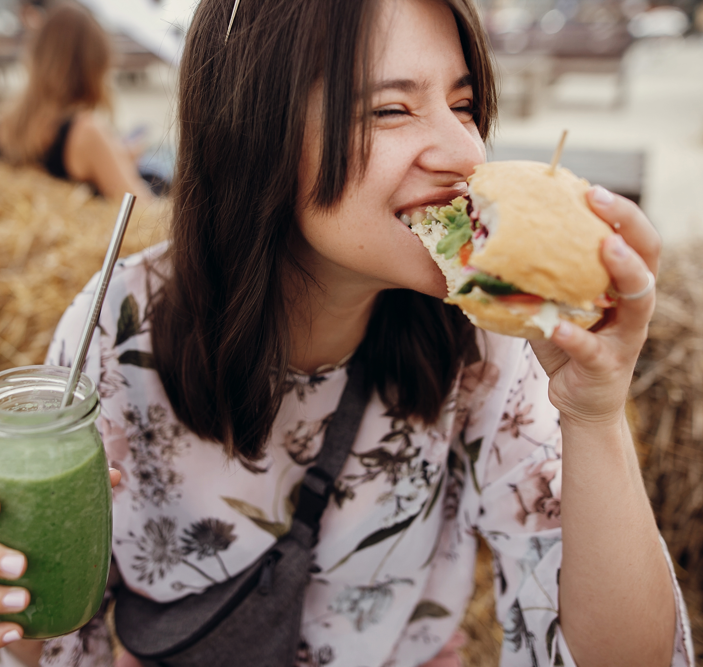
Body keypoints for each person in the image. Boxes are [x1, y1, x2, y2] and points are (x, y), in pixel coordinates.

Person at [0, 0, 694, 665]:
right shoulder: (119, 328)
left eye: (462, 104)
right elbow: (54, 637)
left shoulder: (489, 329)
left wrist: (594, 410)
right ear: (253, 132)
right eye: (391, 109)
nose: (465, 152)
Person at [0, 3, 153, 202]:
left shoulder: (6, 123)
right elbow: (143, 210)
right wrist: (121, 161)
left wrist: (116, 155)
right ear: (93, 67)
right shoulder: (86, 132)